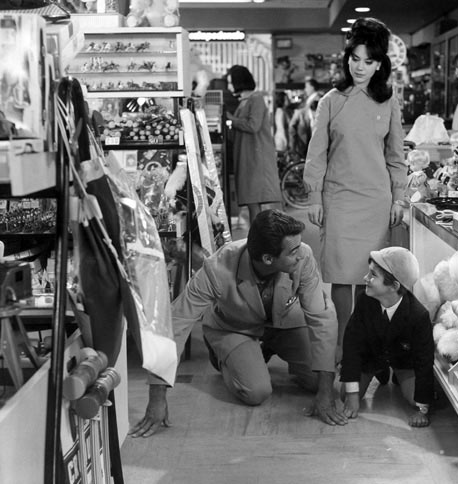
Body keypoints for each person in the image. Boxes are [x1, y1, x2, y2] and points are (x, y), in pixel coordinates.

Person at [128, 210, 348, 438]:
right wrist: (157, 398)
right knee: (256, 392)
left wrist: (325, 391)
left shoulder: (303, 255)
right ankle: (225, 357)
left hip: (286, 322)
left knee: (320, 380)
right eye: (292, 252)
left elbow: (321, 318)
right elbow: (176, 323)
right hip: (235, 328)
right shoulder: (216, 270)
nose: (300, 254)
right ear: (268, 259)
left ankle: (263, 354)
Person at [303, 17, 407, 362]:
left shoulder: (389, 101)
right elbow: (316, 154)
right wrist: (314, 196)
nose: (360, 67)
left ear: (380, 64)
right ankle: (344, 346)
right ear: (347, 58)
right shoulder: (331, 101)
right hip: (339, 200)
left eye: (369, 61)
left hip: (375, 201)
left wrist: (400, 196)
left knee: (371, 280)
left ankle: (368, 347)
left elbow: (396, 156)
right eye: (355, 59)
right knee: (341, 280)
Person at [340, 247, 434, 427]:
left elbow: (424, 361)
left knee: (416, 397)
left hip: (403, 361)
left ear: (394, 286)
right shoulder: (364, 301)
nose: (365, 278)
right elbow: (351, 345)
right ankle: (379, 371)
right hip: (372, 356)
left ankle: (397, 377)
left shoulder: (418, 316)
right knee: (345, 394)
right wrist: (352, 395)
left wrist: (422, 409)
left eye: (373, 275)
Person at [225, 65, 282, 224]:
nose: (229, 86)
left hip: (256, 158)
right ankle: (257, 238)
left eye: (231, 82)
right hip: (249, 157)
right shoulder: (244, 101)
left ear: (239, 82)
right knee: (252, 201)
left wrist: (230, 119)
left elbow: (253, 125)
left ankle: (262, 238)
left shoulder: (256, 99)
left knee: (257, 199)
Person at [288, 77, 320, 160]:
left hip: (310, 131)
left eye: (307, 87)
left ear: (312, 87)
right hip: (305, 131)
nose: (305, 89)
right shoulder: (308, 99)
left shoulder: (318, 98)